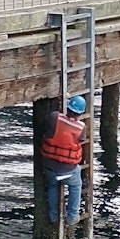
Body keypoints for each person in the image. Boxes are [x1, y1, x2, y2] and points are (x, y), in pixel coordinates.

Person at [40, 96, 87, 226]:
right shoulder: (81, 127)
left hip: (49, 166)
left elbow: (47, 127)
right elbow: (81, 140)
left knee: (53, 185)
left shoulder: (54, 117)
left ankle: (53, 215)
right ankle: (72, 217)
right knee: (76, 186)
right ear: (81, 113)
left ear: (67, 108)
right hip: (68, 170)